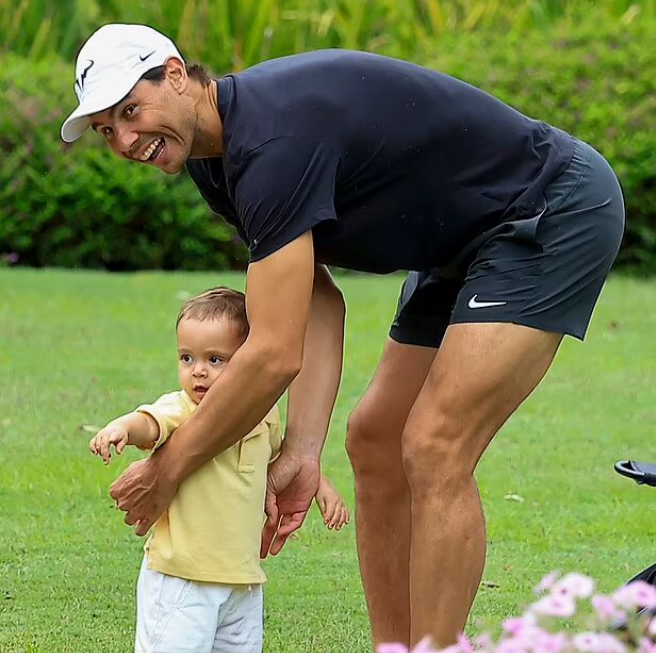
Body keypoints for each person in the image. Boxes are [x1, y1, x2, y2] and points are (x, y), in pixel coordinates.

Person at [62, 23, 625, 649]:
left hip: (547, 208)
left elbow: (273, 352)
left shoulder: (270, 142)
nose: (126, 139)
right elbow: (316, 297)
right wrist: (303, 451)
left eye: (130, 111)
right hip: (456, 244)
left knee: (436, 444)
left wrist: (169, 468)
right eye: (108, 129)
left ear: (174, 74)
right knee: (375, 437)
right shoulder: (215, 163)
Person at [88, 286, 349, 653]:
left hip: (241, 582)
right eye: (187, 358)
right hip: (182, 579)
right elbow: (149, 422)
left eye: (215, 360)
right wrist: (121, 429)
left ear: (249, 361)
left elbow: (284, 461)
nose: (198, 372)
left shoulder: (263, 417)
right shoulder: (183, 410)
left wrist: (323, 488)